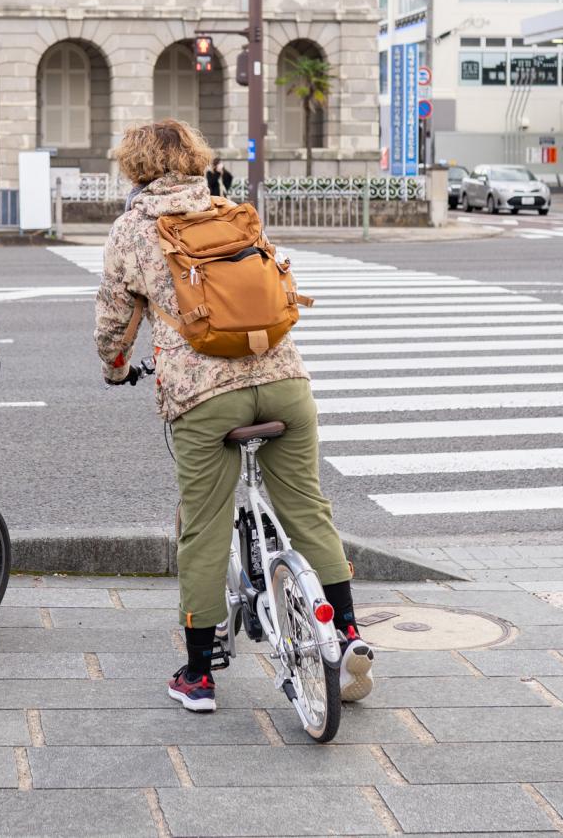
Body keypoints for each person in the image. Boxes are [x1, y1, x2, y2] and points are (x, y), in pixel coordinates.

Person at [93, 119, 372, 713]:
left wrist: (116, 367)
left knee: (203, 526)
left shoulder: (132, 228)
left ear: (135, 168)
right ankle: (347, 633)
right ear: (195, 159)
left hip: (203, 398)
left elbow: (113, 322)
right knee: (308, 509)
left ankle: (198, 674)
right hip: (284, 382)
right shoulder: (233, 210)